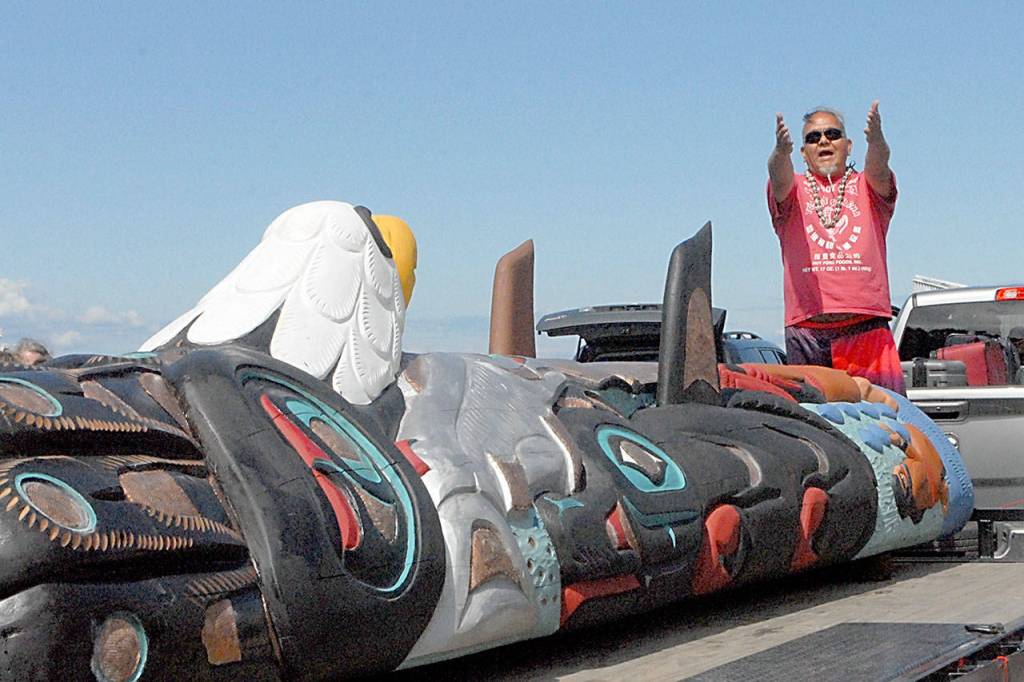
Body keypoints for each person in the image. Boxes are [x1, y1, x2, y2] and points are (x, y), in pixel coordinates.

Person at [767, 101, 905, 394]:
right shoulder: (795, 191)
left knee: (886, 425)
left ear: (849, 145)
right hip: (808, 332)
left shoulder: (867, 186)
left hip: (866, 329)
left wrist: (876, 139)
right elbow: (778, 177)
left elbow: (879, 168)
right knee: (816, 429)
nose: (824, 141)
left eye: (832, 134)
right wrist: (781, 152)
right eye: (813, 138)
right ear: (803, 153)